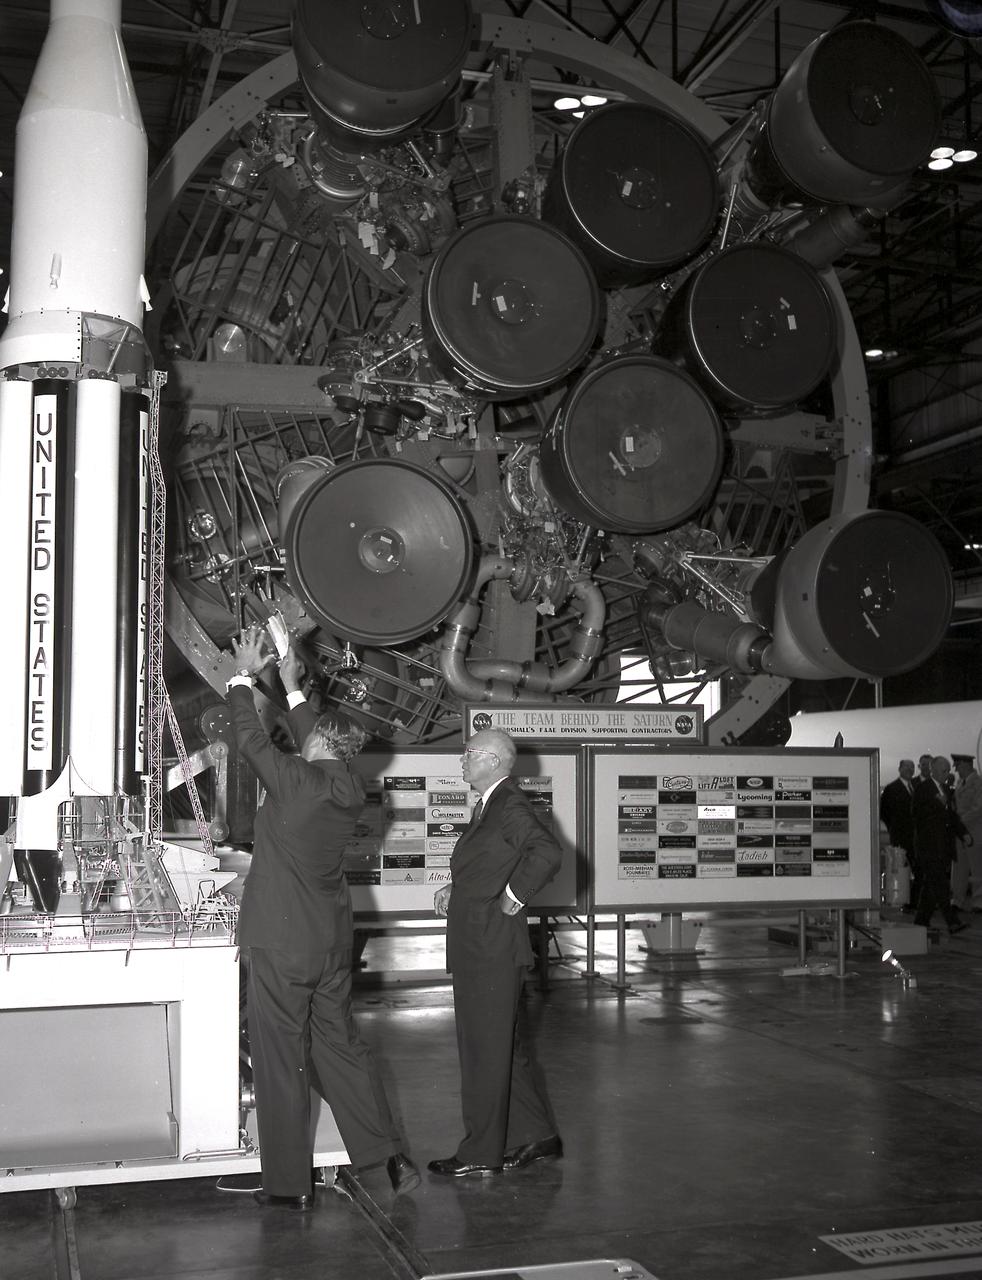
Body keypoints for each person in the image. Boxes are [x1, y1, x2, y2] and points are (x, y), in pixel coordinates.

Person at [226, 626, 419, 1209]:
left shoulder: (296, 782)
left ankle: (288, 1189)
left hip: (281, 947)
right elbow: (317, 735)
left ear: (316, 743)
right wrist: (287, 685)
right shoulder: (345, 786)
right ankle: (385, 1159)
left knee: (281, 1061)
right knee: (341, 1050)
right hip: (331, 947)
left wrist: (242, 674)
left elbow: (247, 739)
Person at [429, 727, 563, 1179]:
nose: (462, 761)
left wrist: (514, 897)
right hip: (479, 942)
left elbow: (546, 852)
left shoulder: (509, 804)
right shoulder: (491, 805)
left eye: (468, 754)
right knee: (502, 1048)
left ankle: (480, 1151)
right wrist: (459, 886)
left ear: (493, 760)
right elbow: (492, 861)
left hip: (489, 945)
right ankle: (537, 1135)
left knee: (483, 1051)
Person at [911, 754, 972, 935]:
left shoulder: (946, 789)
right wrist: (938, 805)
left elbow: (952, 816)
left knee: (931, 885)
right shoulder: (923, 789)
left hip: (943, 846)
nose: (947, 773)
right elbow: (916, 814)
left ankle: (921, 921)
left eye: (948, 770)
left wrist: (964, 834)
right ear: (934, 770)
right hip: (928, 846)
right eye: (944, 770)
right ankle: (951, 921)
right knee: (940, 884)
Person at [879, 759, 918, 909]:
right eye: (907, 767)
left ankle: (912, 901)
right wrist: (893, 827)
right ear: (900, 769)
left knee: (915, 869)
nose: (910, 770)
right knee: (902, 868)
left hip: (915, 836)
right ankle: (902, 900)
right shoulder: (891, 788)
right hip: (900, 835)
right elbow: (884, 811)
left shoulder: (914, 787)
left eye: (912, 767)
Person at [951, 754, 982, 913]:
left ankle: (978, 901)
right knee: (959, 867)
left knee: (977, 868)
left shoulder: (979, 783)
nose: (956, 770)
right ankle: (958, 900)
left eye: (958, 766)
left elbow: (978, 808)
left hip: (975, 831)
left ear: (967, 765)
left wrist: (960, 821)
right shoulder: (960, 783)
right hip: (960, 832)